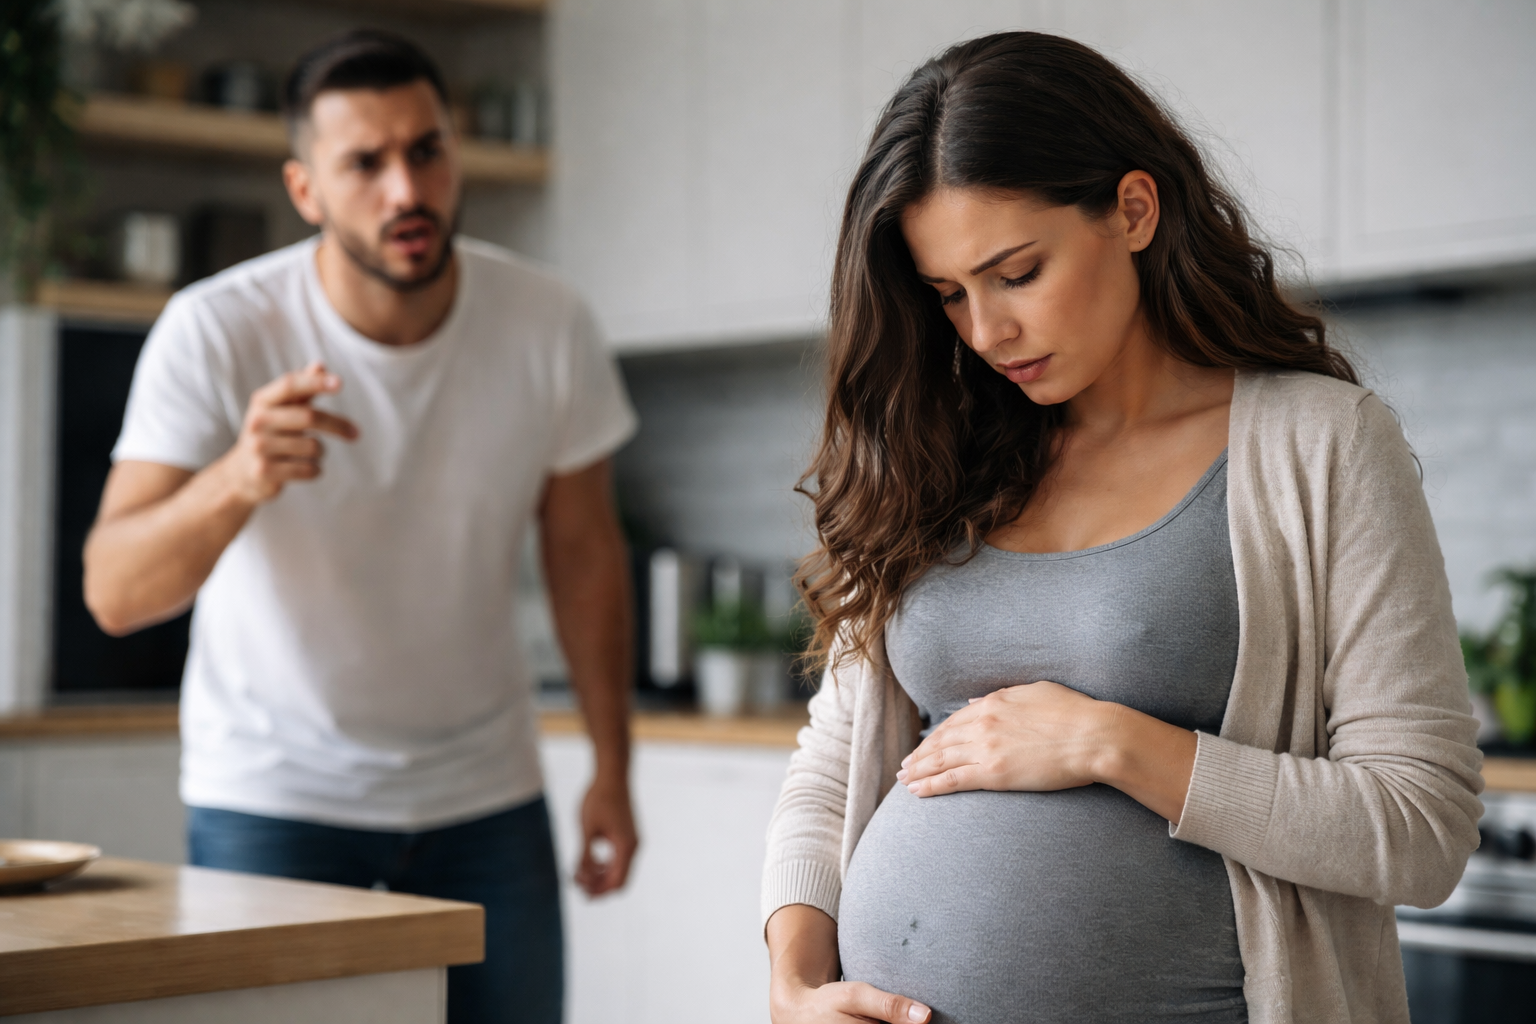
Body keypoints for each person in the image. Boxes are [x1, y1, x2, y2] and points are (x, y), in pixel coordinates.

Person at [761, 31, 1484, 1024]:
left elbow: (1421, 824)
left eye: (1016, 272)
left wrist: (1111, 742)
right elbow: (834, 762)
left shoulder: (1319, 446)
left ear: (1133, 211)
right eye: (949, 295)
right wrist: (794, 982)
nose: (985, 331)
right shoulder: (940, 456)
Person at [82, 30, 638, 1024]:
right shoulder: (219, 328)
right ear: (306, 190)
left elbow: (585, 554)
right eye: (365, 163)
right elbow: (115, 593)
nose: (405, 190)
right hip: (274, 796)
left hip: (485, 793)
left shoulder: (547, 320)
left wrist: (613, 766)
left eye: (425, 150)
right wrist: (236, 479)